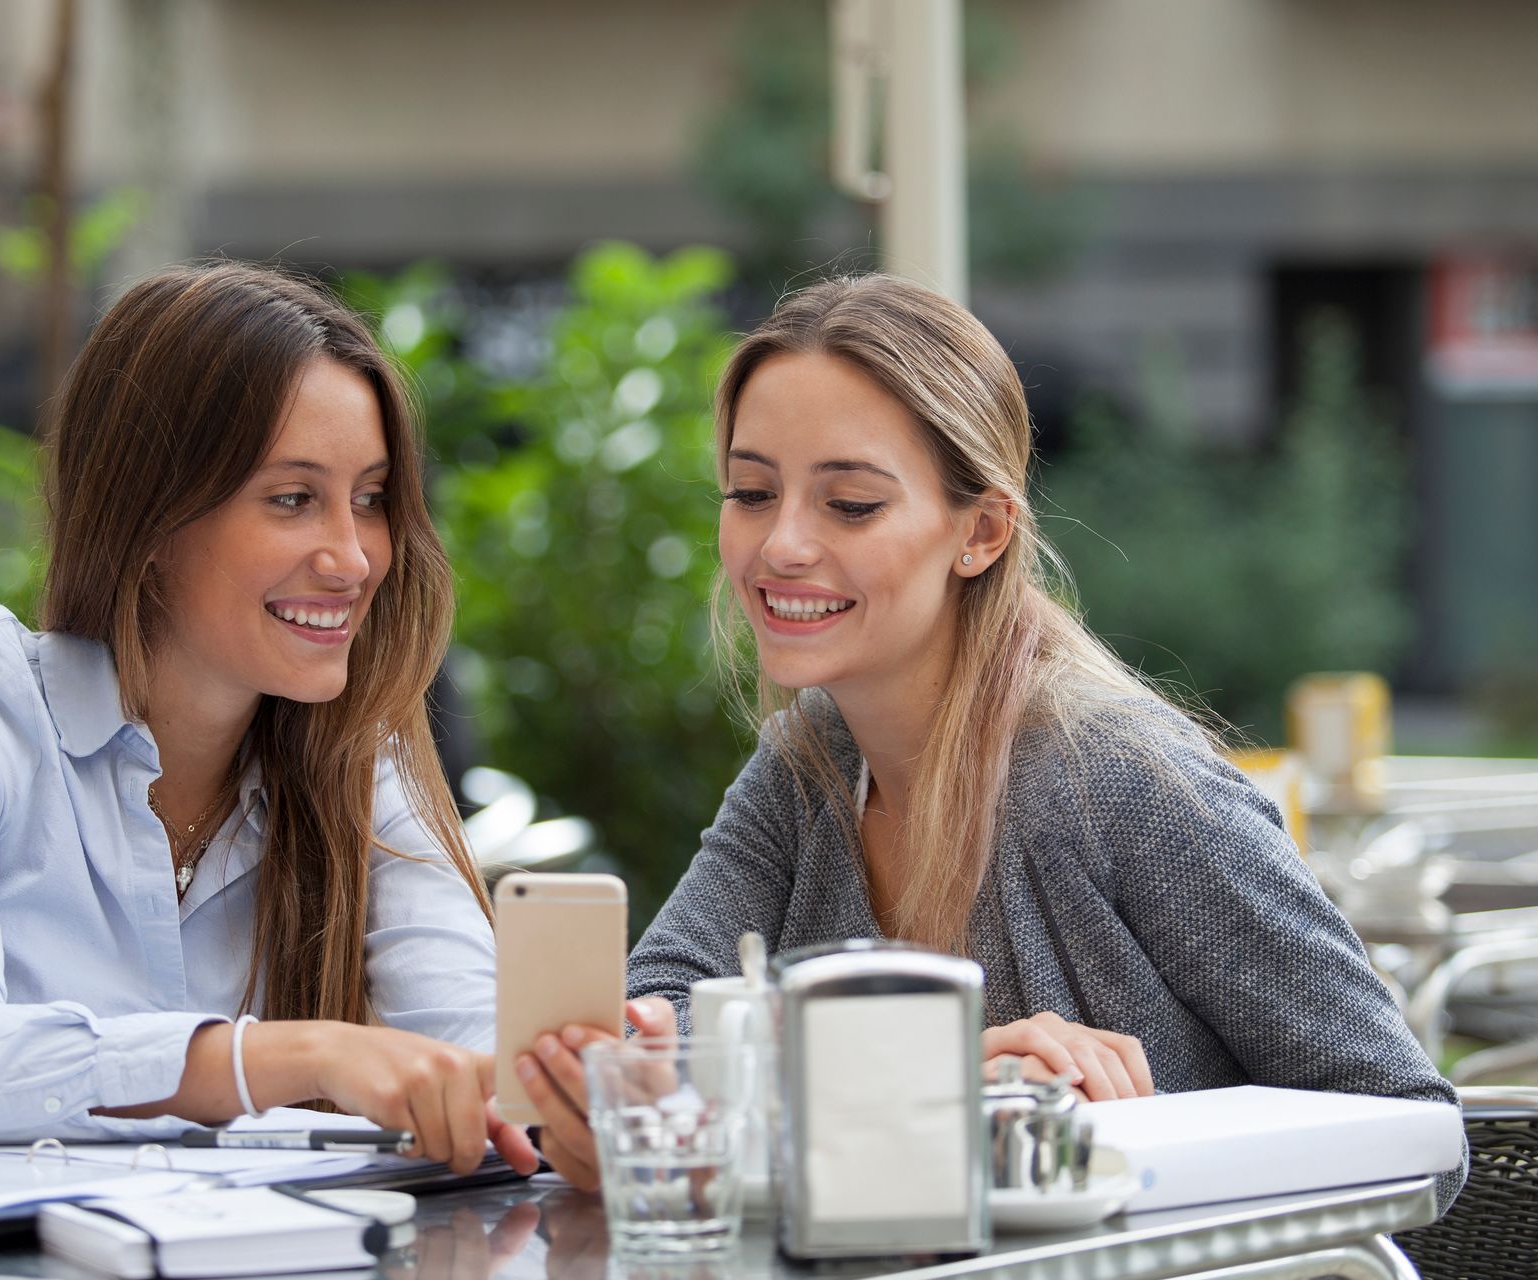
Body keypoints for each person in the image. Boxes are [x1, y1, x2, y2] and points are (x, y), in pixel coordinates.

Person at [515, 275, 1461, 1202]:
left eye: (850, 505)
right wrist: (918, 1086)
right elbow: (667, 1014)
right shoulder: (810, 760)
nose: (780, 546)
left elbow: (1412, 1125)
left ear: (982, 532)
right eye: (751, 493)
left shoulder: (1121, 780)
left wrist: (1111, 1140)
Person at [0, 262, 537, 1179]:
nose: (353, 557)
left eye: (370, 500)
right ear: (152, 514)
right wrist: (295, 1056)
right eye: (293, 499)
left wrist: (586, 1077)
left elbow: (474, 1041)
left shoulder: (351, 754)